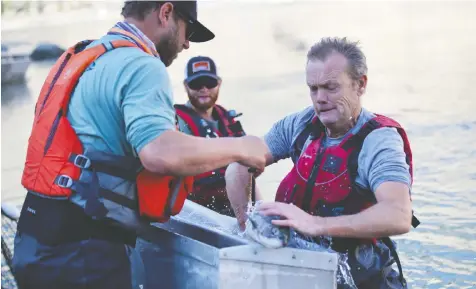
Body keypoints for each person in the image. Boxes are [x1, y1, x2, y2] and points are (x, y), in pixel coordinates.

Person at [12, 1, 268, 289]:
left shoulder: (83, 56)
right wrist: (241, 147)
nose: (186, 44)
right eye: (187, 30)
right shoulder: (143, 65)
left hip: (34, 240)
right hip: (85, 253)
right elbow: (158, 153)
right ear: (166, 12)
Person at [225, 37, 420, 288]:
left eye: (331, 87)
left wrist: (315, 224)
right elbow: (240, 165)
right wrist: (248, 227)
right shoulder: (301, 124)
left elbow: (399, 215)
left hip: (361, 278)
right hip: (302, 269)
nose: (320, 98)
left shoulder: (379, 141)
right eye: (313, 88)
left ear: (360, 85)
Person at [175, 56, 261, 216]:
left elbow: (249, 168)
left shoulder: (227, 118)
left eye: (209, 83)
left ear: (219, 83)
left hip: (235, 207)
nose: (204, 89)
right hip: (197, 211)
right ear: (186, 86)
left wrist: (260, 208)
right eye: (196, 84)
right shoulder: (176, 120)